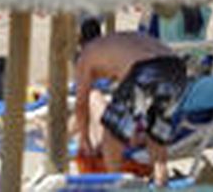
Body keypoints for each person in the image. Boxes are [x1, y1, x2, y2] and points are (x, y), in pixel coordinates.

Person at [73, 31, 186, 185]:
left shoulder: (86, 56)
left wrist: (84, 139)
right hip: (176, 69)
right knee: (156, 139)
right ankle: (161, 183)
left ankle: (116, 185)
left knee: (112, 135)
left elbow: (81, 103)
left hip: (147, 69)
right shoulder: (115, 43)